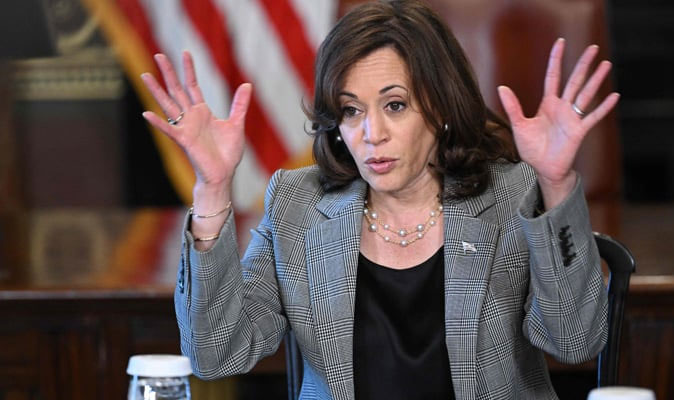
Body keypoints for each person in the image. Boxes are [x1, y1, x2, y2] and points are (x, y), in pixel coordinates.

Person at [140, 1, 618, 398]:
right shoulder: (297, 206)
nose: (372, 135)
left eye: (395, 105)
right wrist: (212, 189)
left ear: (440, 107)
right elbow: (216, 352)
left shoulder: (510, 195)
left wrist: (555, 183)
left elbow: (575, 341)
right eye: (351, 110)